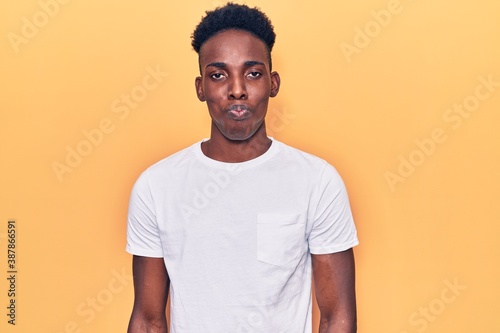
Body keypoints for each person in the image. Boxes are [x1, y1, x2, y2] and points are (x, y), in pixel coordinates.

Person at [126, 3, 359, 332]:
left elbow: (337, 317)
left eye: (252, 73)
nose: (237, 89)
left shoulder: (317, 181)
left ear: (273, 84)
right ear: (200, 88)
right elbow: (149, 320)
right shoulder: (156, 186)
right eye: (218, 75)